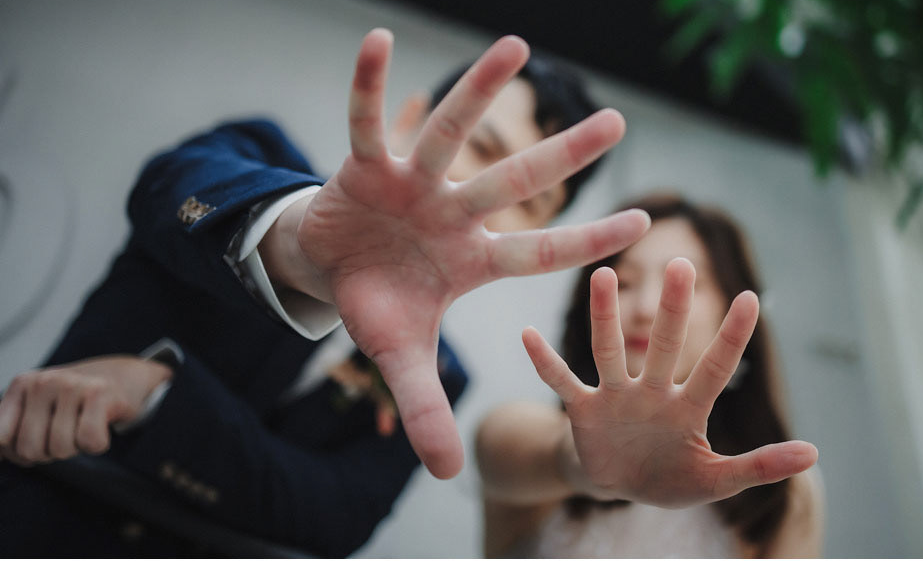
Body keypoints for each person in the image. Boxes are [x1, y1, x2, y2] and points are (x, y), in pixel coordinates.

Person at [0, 29, 650, 556]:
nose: (479, 198)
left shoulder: (439, 379)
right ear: (411, 121)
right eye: (481, 149)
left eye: (524, 199)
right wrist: (301, 246)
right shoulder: (254, 152)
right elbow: (167, 191)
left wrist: (159, 394)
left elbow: (334, 519)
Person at [476, 193, 824, 558]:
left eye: (686, 284)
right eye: (625, 282)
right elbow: (519, 452)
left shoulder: (780, 490)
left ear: (731, 306)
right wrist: (587, 462)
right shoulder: (522, 439)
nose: (645, 308)